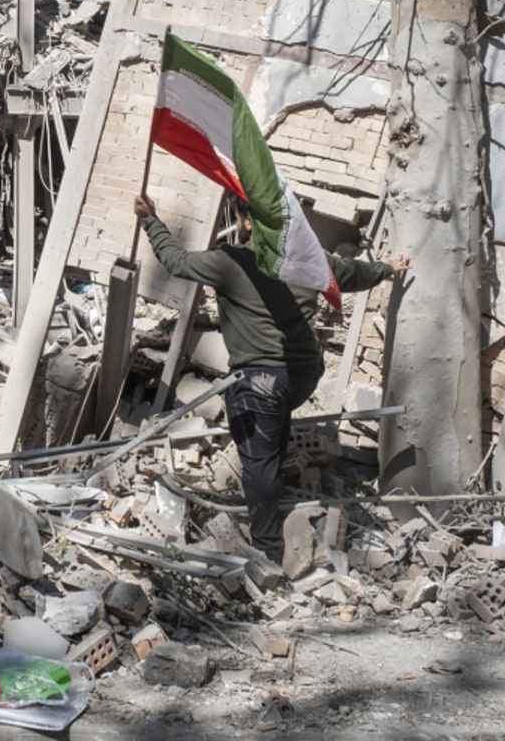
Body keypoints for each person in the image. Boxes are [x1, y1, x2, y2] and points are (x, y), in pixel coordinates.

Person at [134, 192, 409, 564]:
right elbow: (355, 273)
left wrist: (150, 218)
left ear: (246, 222)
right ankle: (271, 507)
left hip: (260, 380)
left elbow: (174, 260)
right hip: (301, 377)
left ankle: (268, 551)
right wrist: (390, 268)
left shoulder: (234, 262)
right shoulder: (310, 259)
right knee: (273, 437)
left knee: (258, 464)